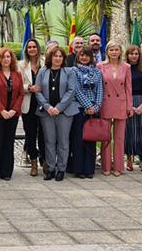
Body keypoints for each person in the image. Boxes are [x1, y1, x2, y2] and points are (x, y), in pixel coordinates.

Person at [35, 46, 79, 181]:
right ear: (50, 57)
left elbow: (71, 91)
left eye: (60, 56)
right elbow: (37, 90)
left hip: (64, 112)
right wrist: (47, 106)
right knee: (49, 141)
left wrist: (59, 107)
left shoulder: (69, 71)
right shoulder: (42, 71)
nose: (58, 58)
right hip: (47, 112)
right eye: (55, 56)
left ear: (64, 58)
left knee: (63, 141)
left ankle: (61, 169)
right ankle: (51, 168)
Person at [0, 48, 24, 181]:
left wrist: (13, 110)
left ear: (11, 58)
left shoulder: (17, 74)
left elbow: (21, 93)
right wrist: (2, 110)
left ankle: (6, 172)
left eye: (8, 57)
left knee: (8, 143)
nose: (6, 59)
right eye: (3, 57)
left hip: (12, 115)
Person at [97, 42, 133, 177]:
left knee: (119, 138)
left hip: (121, 104)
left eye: (116, 49)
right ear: (107, 51)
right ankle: (106, 166)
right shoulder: (100, 66)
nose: (113, 52)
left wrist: (129, 106)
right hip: (105, 103)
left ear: (120, 51)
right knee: (106, 137)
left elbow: (128, 88)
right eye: (111, 49)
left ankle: (118, 167)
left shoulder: (126, 67)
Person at [71, 46, 102, 178]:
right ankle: (78, 169)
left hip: (93, 110)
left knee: (91, 140)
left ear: (91, 57)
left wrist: (95, 107)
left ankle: (89, 169)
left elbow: (100, 90)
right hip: (79, 109)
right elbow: (76, 90)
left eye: (87, 55)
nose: (84, 58)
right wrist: (87, 105)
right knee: (78, 140)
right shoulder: (73, 71)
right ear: (78, 56)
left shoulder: (97, 72)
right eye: (81, 55)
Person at [19, 39, 46, 176]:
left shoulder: (45, 62)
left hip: (43, 104)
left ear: (38, 48)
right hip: (28, 104)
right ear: (26, 50)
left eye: (34, 46)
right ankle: (33, 160)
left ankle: (44, 160)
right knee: (30, 134)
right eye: (29, 47)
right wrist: (29, 87)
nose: (32, 49)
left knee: (44, 134)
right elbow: (18, 85)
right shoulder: (21, 65)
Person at [124, 45, 142, 172]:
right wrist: (128, 105)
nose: (134, 56)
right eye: (131, 54)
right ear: (127, 55)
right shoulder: (124, 69)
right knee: (128, 131)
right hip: (127, 101)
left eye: (136, 54)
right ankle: (129, 158)